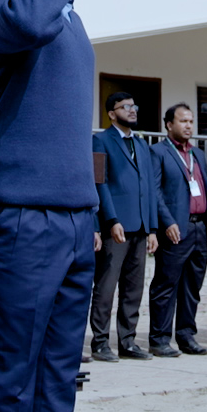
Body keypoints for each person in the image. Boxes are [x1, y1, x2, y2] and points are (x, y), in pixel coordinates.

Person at [0, 0, 99, 412]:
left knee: (58, 374)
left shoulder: (64, 15)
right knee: (12, 374)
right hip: (23, 219)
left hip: (73, 216)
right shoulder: (8, 6)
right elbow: (32, 19)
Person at [91, 90, 158, 362]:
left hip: (141, 227)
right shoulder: (100, 140)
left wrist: (152, 227)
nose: (132, 110)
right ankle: (99, 342)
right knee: (106, 286)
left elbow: (150, 188)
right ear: (111, 113)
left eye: (134, 105)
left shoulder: (142, 145)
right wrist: (111, 220)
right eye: (125, 106)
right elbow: (101, 182)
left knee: (134, 288)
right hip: (116, 227)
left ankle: (128, 341)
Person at [147, 103, 207, 357]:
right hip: (176, 228)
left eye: (191, 121)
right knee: (166, 285)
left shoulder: (197, 153)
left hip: (200, 228)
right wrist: (167, 222)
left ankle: (187, 336)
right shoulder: (158, 152)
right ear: (169, 124)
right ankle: (159, 339)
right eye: (183, 121)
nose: (188, 126)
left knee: (192, 287)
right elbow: (154, 191)